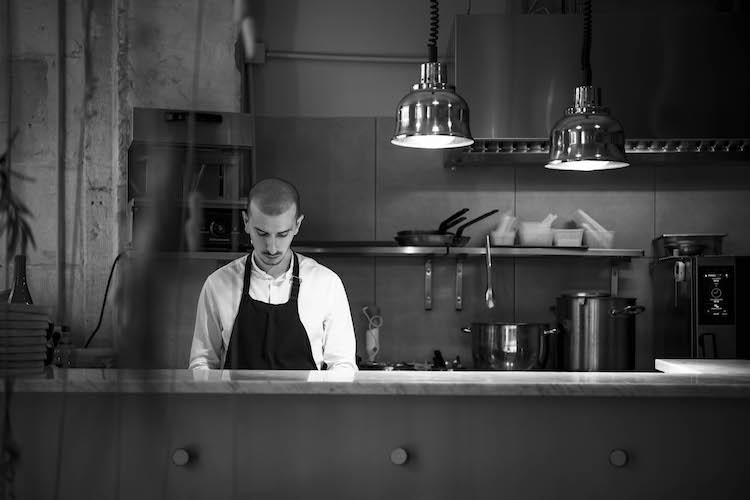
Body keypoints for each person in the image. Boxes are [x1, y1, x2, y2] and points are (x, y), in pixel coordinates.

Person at [189, 177, 357, 371]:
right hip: (237, 401)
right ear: (246, 222)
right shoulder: (217, 284)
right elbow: (202, 363)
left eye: (282, 234)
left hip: (306, 401)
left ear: (297, 225)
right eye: (262, 233)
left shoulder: (326, 284)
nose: (272, 247)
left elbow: (343, 365)